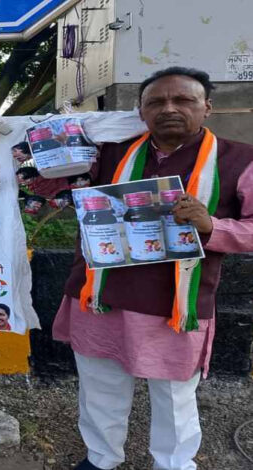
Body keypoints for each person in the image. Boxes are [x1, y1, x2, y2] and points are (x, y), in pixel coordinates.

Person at [54, 67, 253, 470]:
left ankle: (174, 464)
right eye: (156, 102)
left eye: (183, 100)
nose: (169, 109)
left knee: (174, 395)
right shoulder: (108, 152)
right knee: (99, 385)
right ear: (141, 112)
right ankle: (101, 458)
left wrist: (212, 226)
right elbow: (54, 186)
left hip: (175, 304)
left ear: (207, 107)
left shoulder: (240, 160)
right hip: (101, 293)